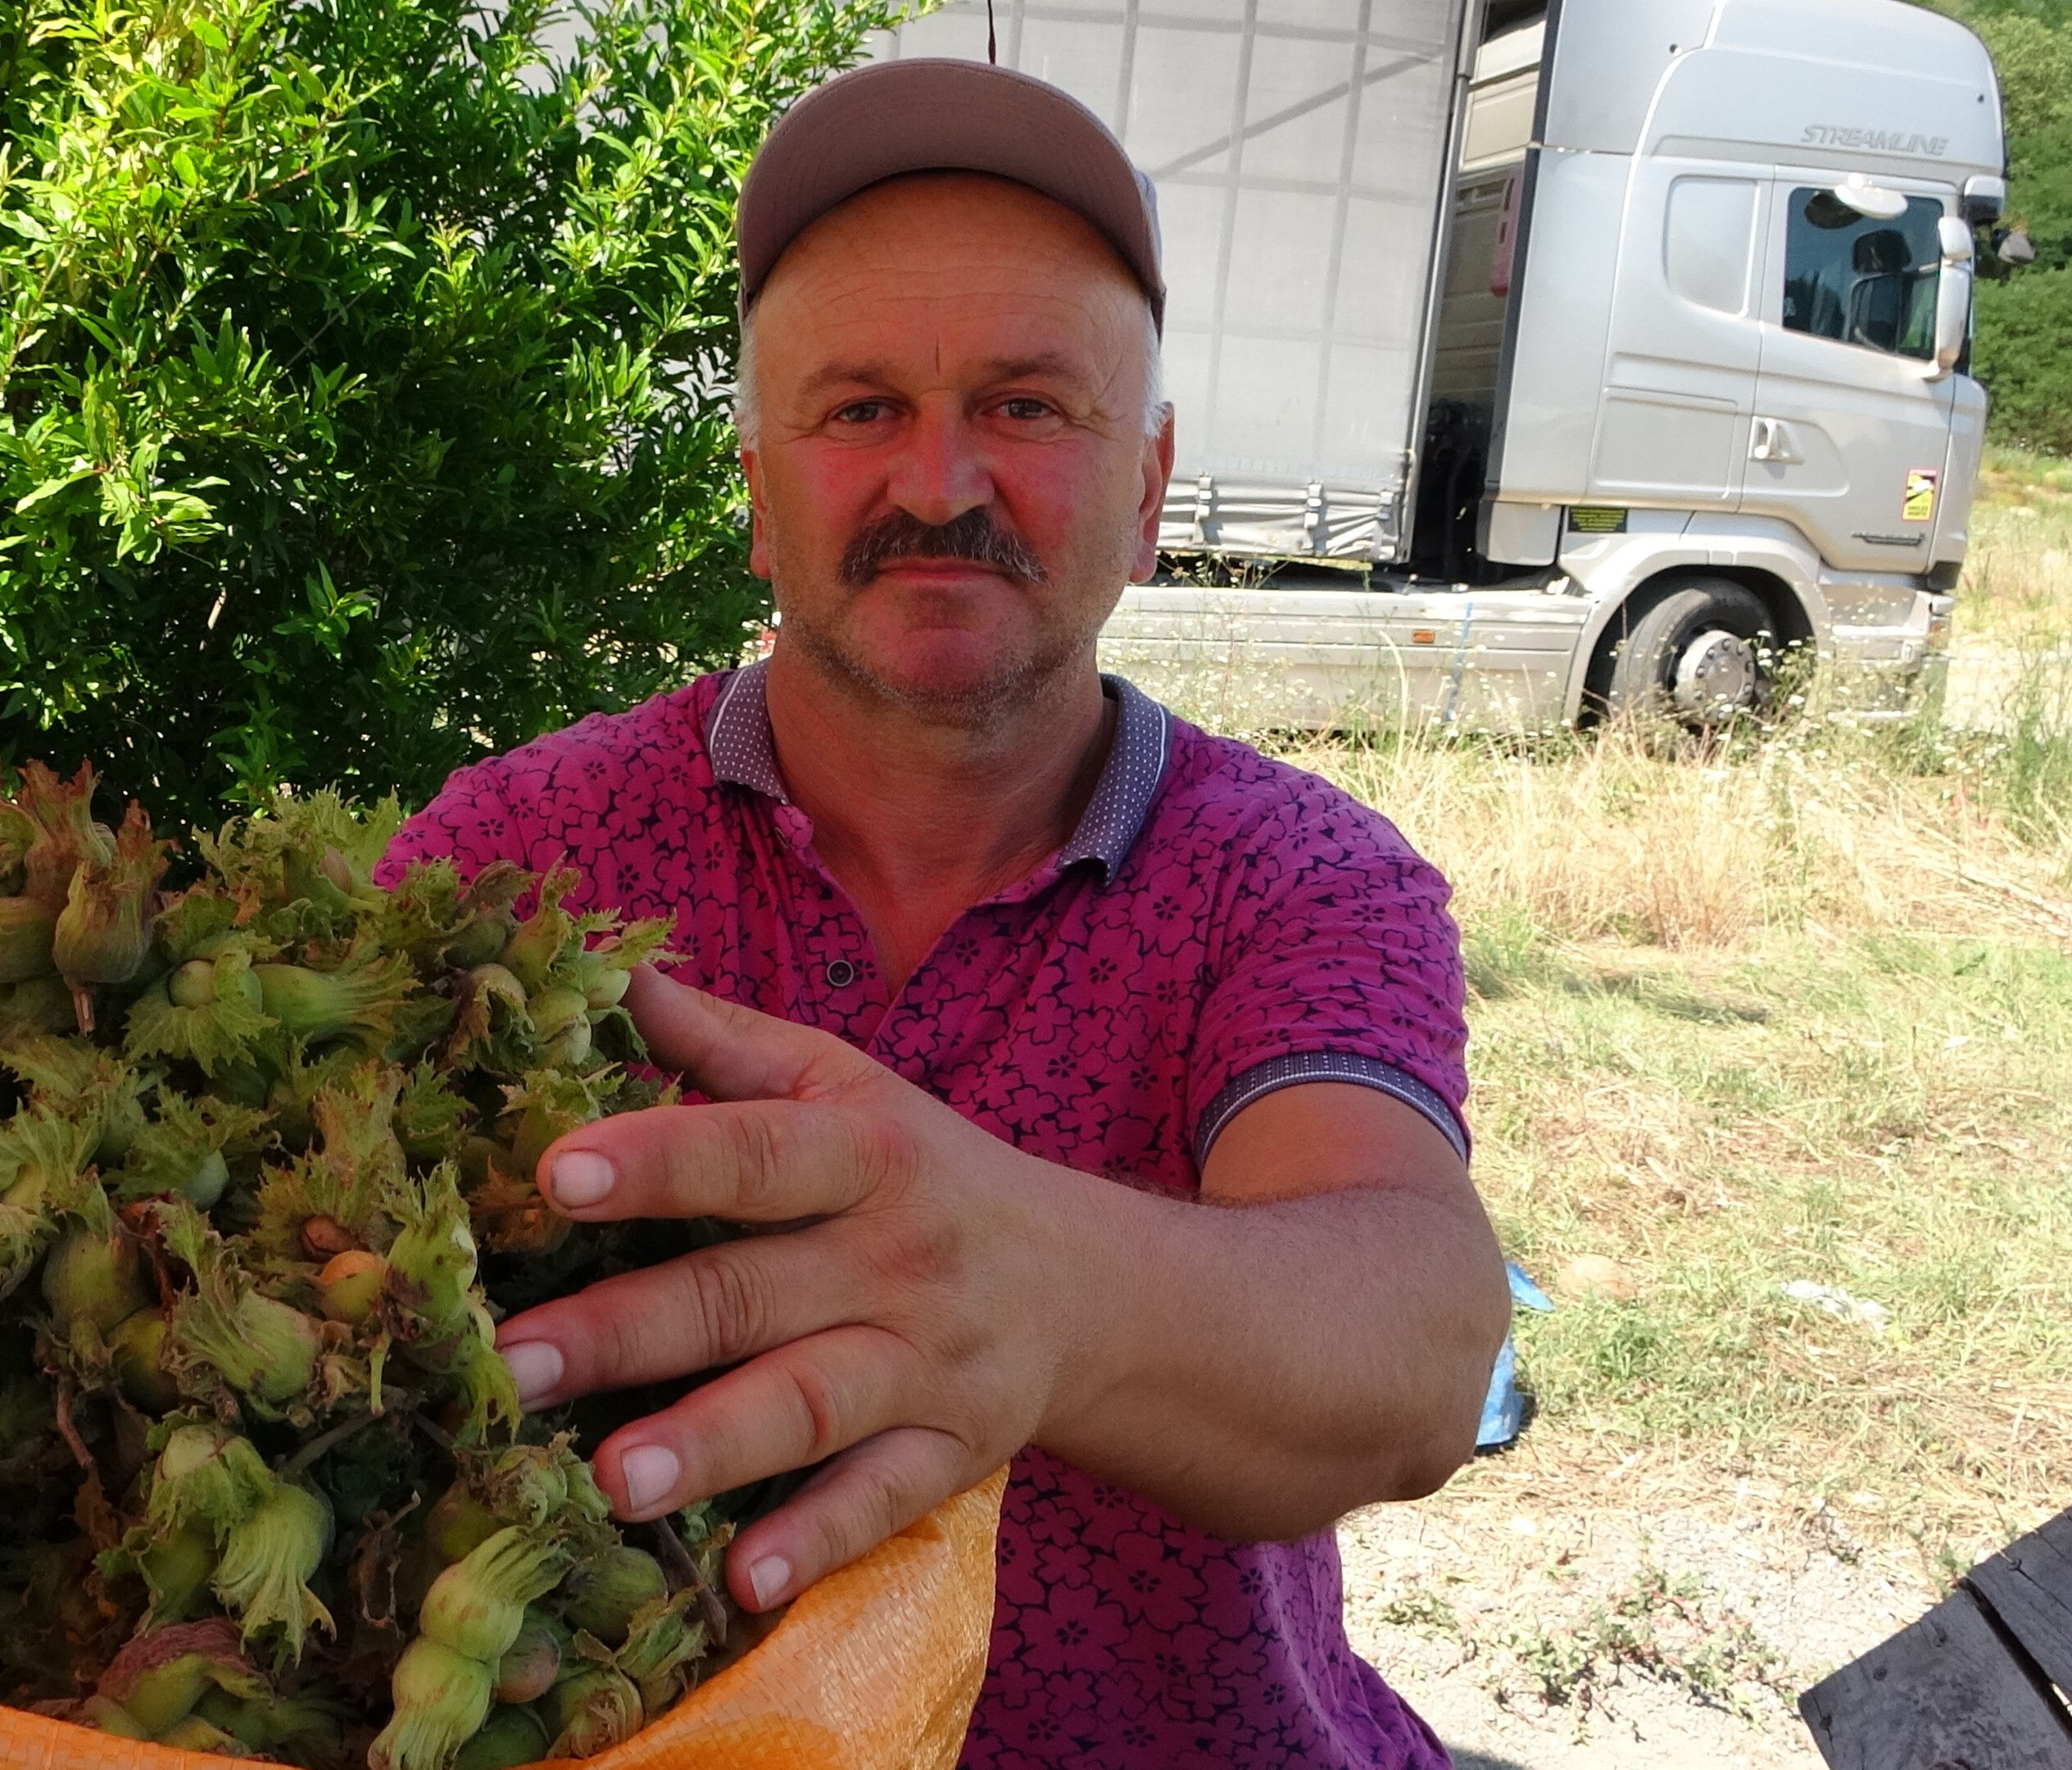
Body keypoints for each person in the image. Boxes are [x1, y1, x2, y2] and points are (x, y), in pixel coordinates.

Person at [380, 57, 1508, 1769]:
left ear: (1150, 488)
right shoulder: (521, 850)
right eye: (857, 411)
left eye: (1028, 406)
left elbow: (1417, 1349)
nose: (940, 481)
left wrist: (1042, 1297)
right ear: (757, 491)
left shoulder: (1295, 874)